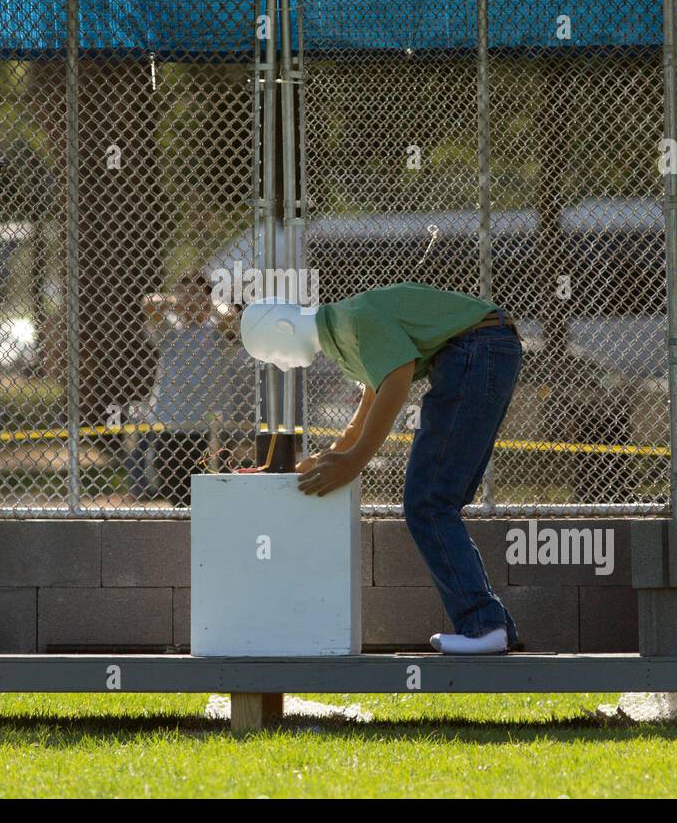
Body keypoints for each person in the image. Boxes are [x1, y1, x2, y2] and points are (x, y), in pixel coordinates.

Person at [239, 282, 523, 655]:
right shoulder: (342, 330)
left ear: (283, 328)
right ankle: (494, 625)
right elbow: (370, 402)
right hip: (486, 347)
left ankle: (484, 625)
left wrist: (354, 461)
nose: (278, 363)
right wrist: (331, 455)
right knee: (438, 502)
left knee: (428, 502)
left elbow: (397, 378)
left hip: (476, 350)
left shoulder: (349, 321)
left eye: (271, 352)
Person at [141, 273, 240, 508]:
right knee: (171, 483)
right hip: (171, 421)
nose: (189, 299)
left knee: (210, 486)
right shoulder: (170, 330)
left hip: (210, 425)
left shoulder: (215, 330)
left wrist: (207, 304)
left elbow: (231, 317)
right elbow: (148, 303)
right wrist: (180, 301)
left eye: (196, 292)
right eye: (182, 293)